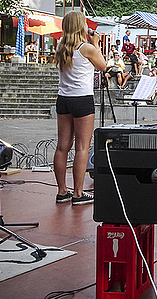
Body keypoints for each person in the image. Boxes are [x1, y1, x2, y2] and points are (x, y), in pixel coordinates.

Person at [53, 11, 107, 205]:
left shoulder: (59, 47)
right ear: (80, 26)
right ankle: (77, 193)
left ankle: (61, 192)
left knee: (62, 146)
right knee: (82, 147)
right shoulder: (87, 49)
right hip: (82, 99)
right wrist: (96, 44)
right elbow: (103, 66)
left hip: (63, 99)